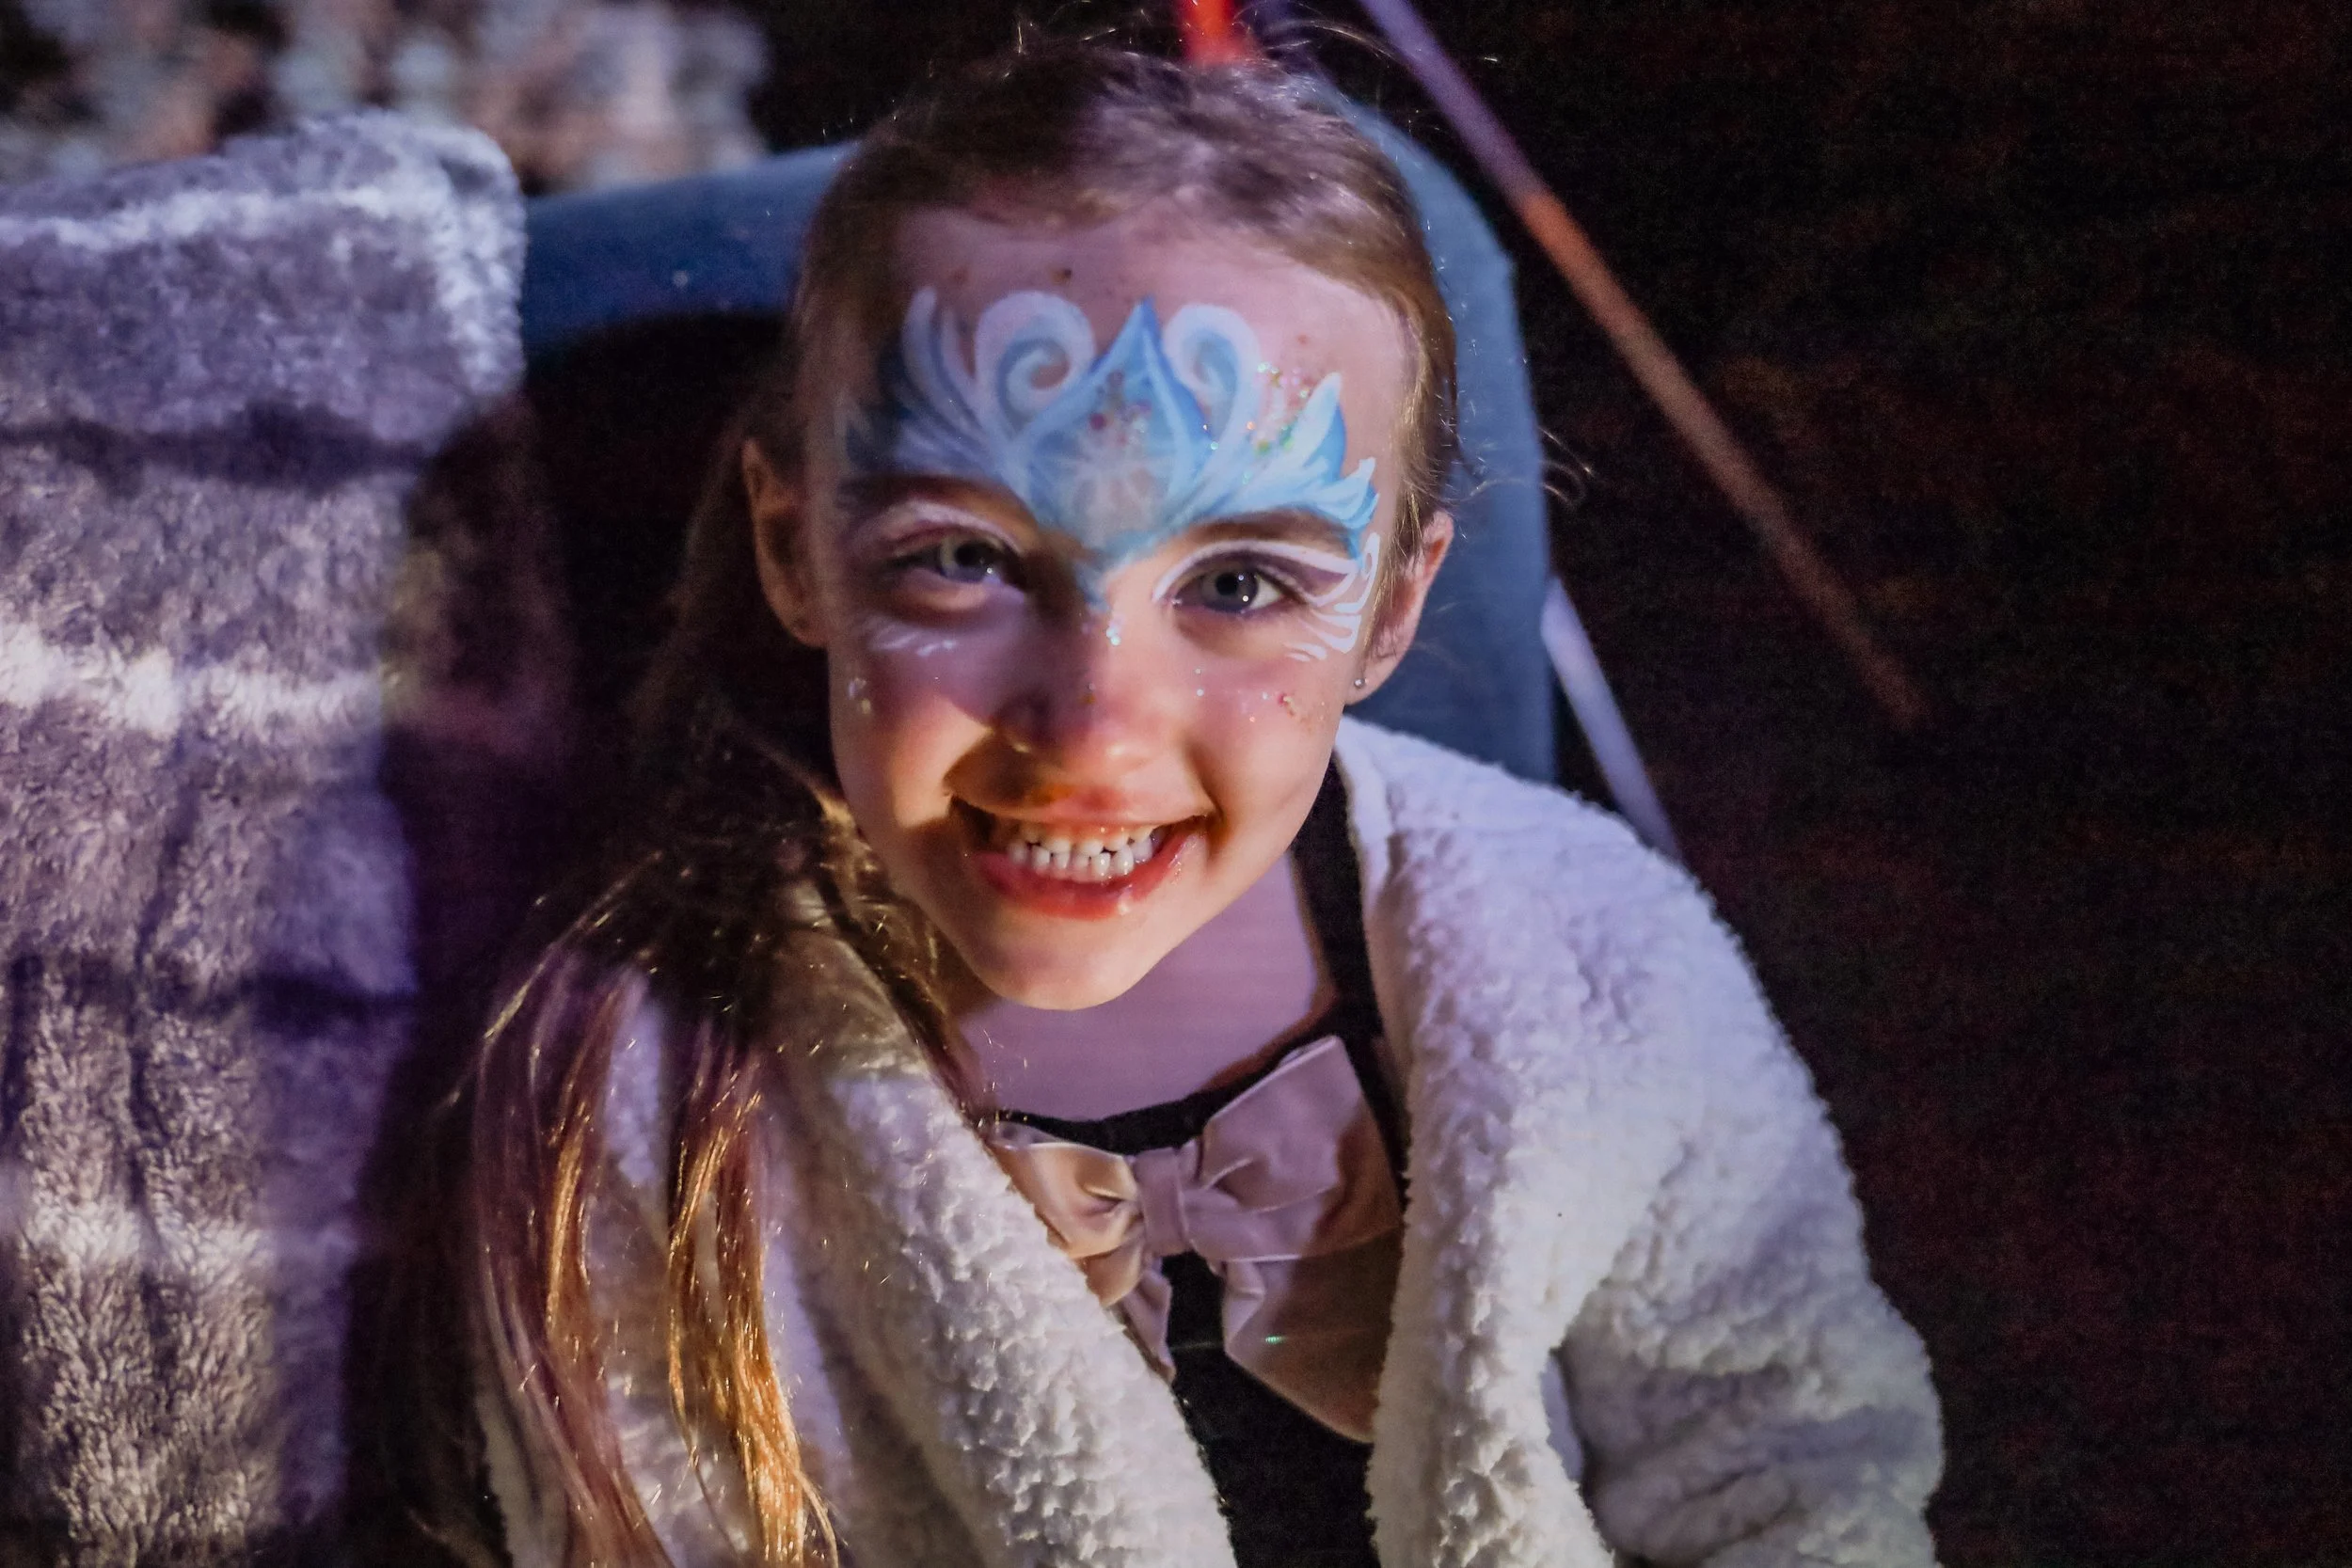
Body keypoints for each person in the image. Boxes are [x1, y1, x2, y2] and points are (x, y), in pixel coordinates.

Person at [458, 41, 1942, 1568]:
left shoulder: (1593, 954)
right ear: (794, 549)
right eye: (960, 558)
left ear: (1388, 610)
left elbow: (1789, 1461)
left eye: (1237, 586)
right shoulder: (636, 1097)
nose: (1095, 725)